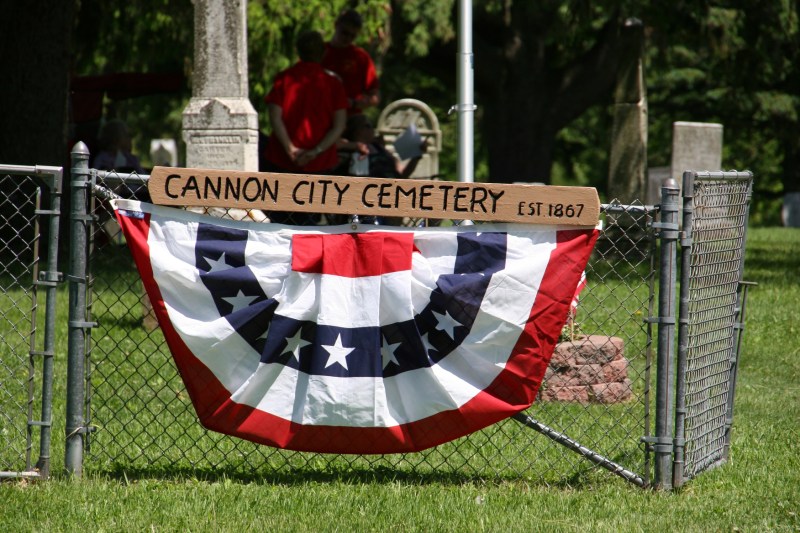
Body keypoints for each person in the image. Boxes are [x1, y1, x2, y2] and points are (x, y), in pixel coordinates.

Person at [263, 30, 347, 224]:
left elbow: (275, 117)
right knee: (310, 222)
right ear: (323, 52)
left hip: (282, 160)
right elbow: (339, 125)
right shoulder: (333, 83)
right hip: (320, 164)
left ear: (298, 51)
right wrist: (315, 151)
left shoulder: (284, 78)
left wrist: (290, 149)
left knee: (280, 220)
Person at [335, 113, 427, 225]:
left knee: (432, 200)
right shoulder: (350, 149)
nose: (372, 129)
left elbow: (403, 173)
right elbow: (335, 145)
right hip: (372, 196)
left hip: (395, 192)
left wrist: (417, 156)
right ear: (356, 131)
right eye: (367, 126)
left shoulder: (380, 148)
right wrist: (356, 146)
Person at [322, 9, 380, 115]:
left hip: (350, 116)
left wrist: (353, 103)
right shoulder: (319, 51)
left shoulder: (361, 57)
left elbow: (374, 97)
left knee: (364, 130)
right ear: (336, 25)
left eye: (352, 36)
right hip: (321, 114)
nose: (347, 38)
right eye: (344, 33)